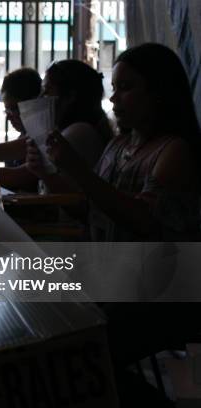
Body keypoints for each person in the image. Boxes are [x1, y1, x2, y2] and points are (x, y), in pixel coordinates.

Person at [44, 43, 201, 405]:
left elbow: (145, 222)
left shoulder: (173, 151)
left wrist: (79, 172)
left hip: (162, 293)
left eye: (127, 88)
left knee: (82, 347)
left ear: (160, 92)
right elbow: (90, 211)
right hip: (117, 279)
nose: (115, 98)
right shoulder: (118, 147)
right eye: (114, 88)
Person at [1, 60, 113, 193]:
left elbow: (20, 175)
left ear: (70, 96)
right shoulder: (65, 130)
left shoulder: (78, 132)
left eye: (47, 92)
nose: (41, 98)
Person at [0, 67, 42, 167]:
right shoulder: (24, 136)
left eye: (14, 109)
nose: (8, 117)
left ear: (32, 103)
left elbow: (17, 176)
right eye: (7, 110)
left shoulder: (40, 139)